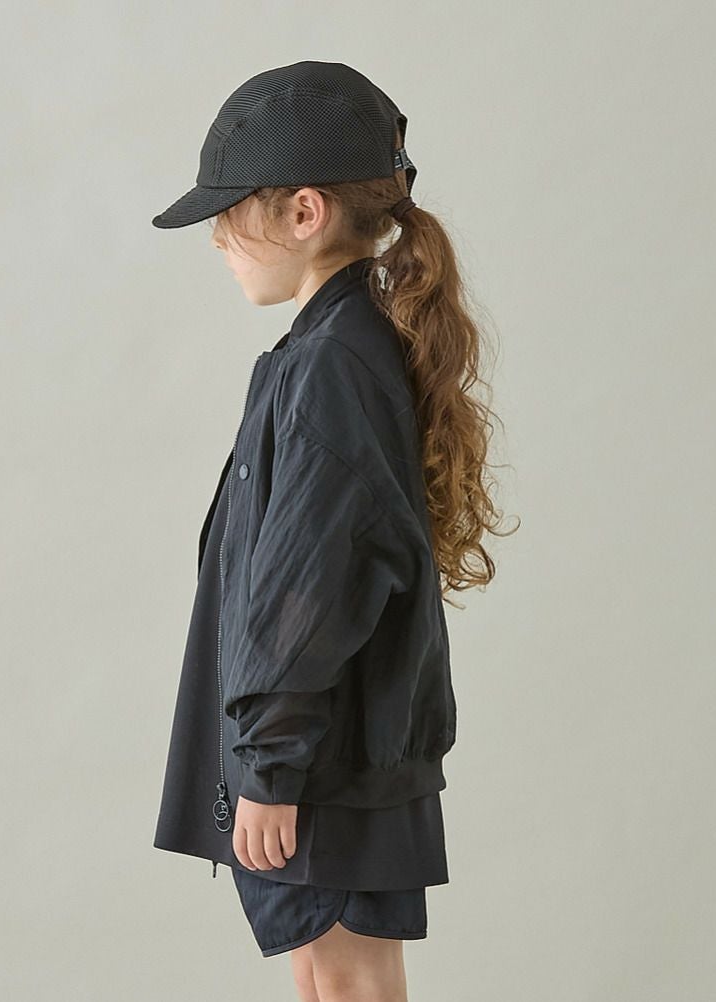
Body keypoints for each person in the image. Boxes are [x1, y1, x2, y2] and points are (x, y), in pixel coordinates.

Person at [151, 60, 511, 1001]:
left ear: (304, 212)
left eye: (230, 212)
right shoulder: (332, 350)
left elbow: (316, 575)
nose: (217, 237)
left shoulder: (333, 366)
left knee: (349, 984)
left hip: (323, 759)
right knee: (329, 981)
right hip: (327, 750)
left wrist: (272, 765)